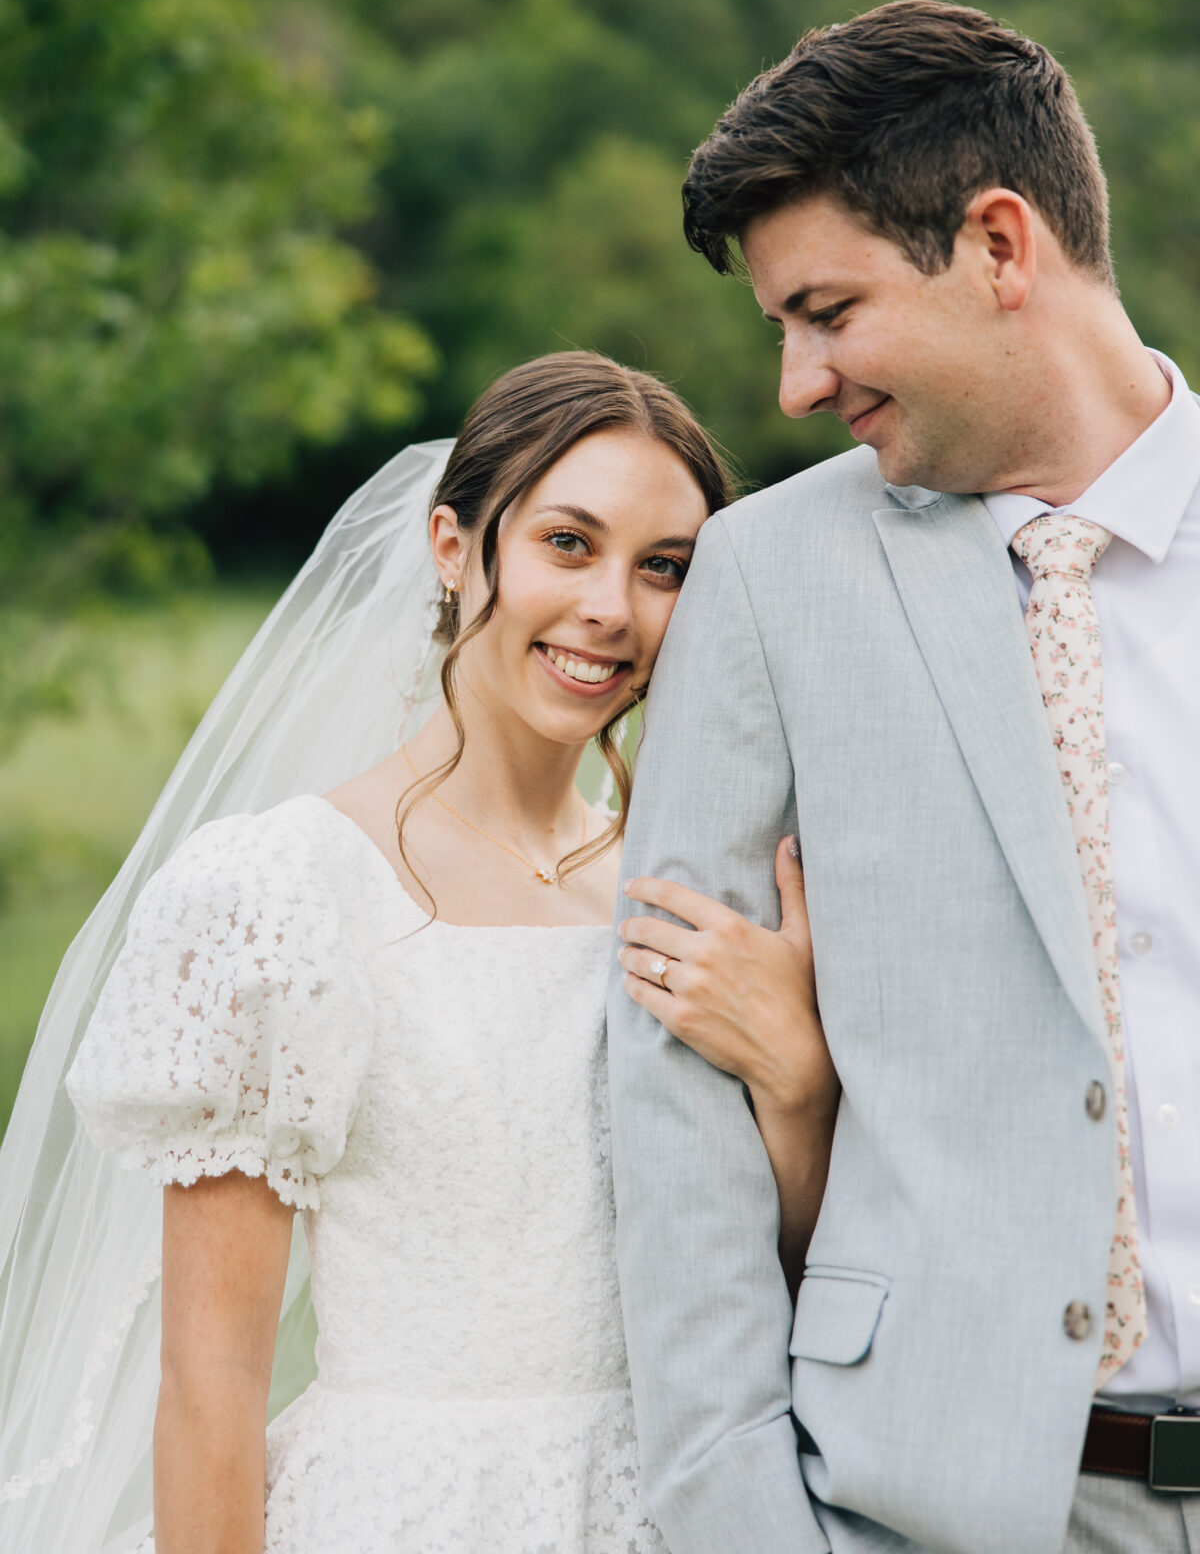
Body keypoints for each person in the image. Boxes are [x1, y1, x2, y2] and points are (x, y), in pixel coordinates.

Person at [0, 351, 834, 1554]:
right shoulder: (282, 894)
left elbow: (779, 1283)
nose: (612, 606)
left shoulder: (693, 894)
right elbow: (211, 1382)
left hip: (678, 1505)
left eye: (664, 569)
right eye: (566, 543)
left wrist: (799, 1083)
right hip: (412, 1511)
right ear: (454, 547)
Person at [609, 0, 1200, 1554]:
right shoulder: (766, 582)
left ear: (1001, 245)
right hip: (932, 1510)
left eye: (827, 310)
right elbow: (671, 1099)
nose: (798, 385)